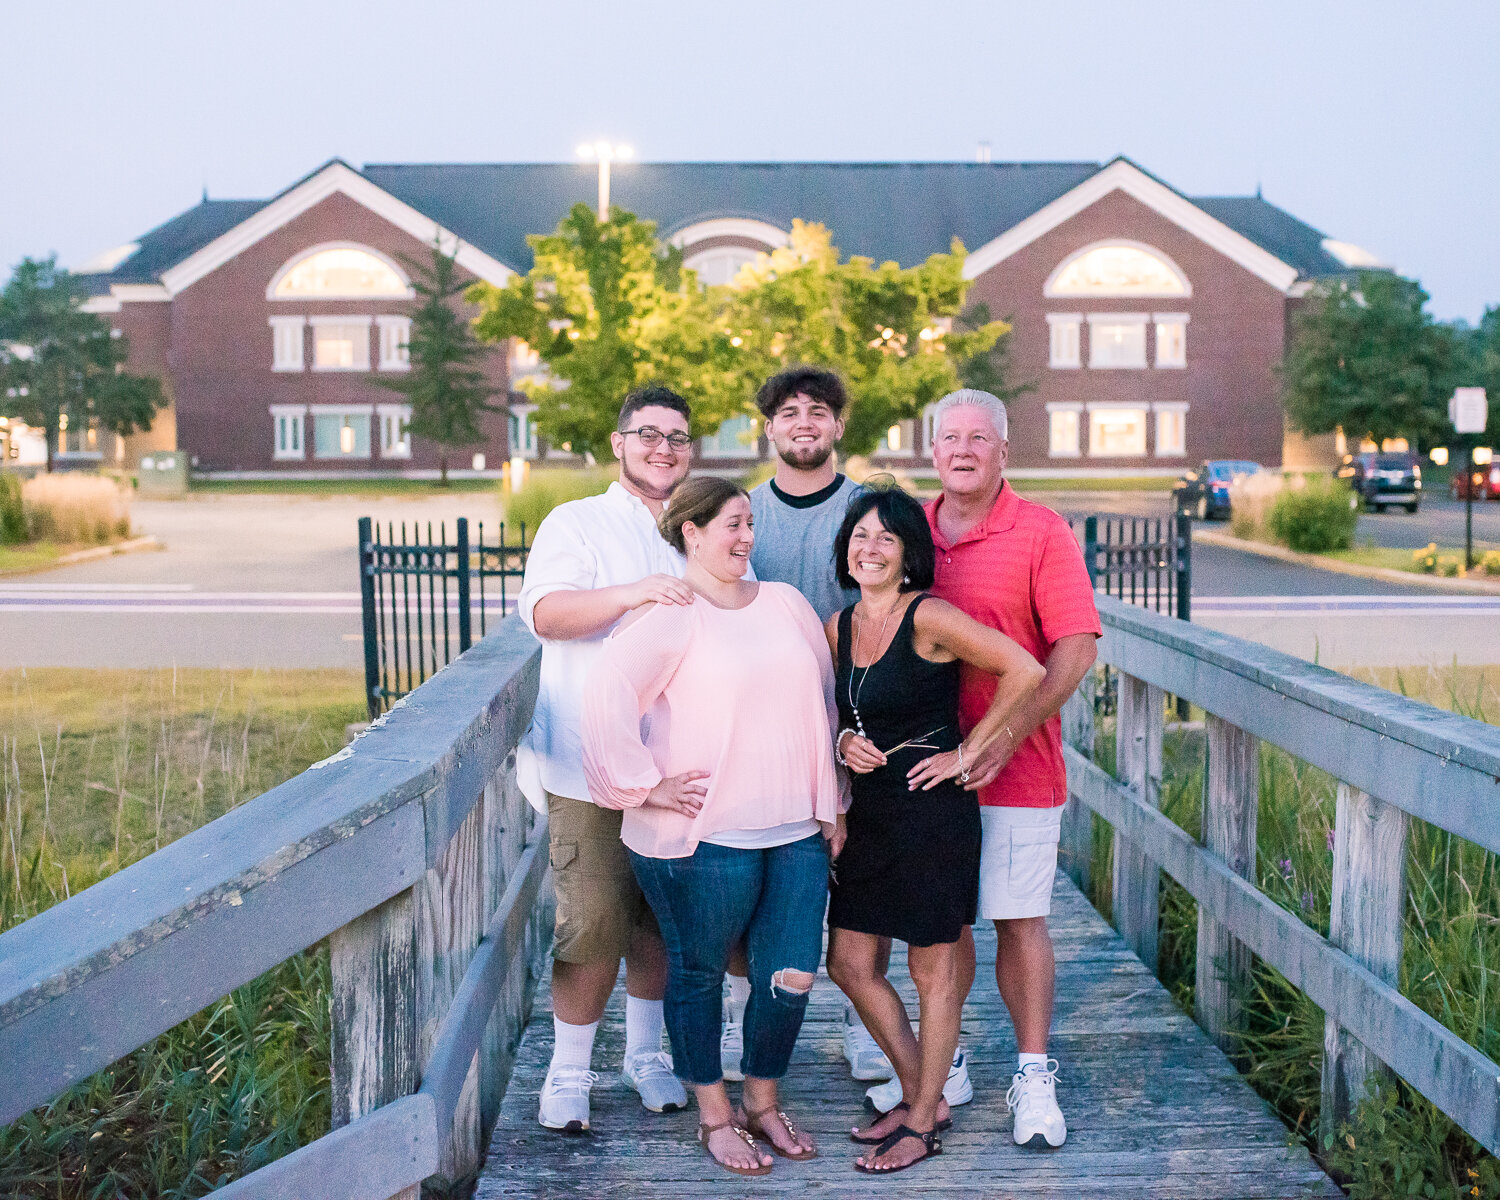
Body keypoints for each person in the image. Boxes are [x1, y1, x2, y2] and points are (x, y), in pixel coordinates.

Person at [581, 476, 844, 1177]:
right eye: (729, 524)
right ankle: (715, 1116)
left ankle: (762, 1098)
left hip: (794, 832)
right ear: (690, 532)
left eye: (749, 523)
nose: (745, 537)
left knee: (791, 973)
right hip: (701, 840)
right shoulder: (670, 613)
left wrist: (833, 802)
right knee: (696, 972)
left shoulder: (786, 605)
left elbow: (822, 704)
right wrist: (646, 785)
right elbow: (605, 697)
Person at [823, 485, 1044, 1173]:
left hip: (931, 811)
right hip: (871, 813)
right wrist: (840, 744)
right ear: (846, 551)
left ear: (908, 553)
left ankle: (921, 1120)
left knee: (932, 969)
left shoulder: (931, 617)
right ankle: (929, 1090)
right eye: (860, 536)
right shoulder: (838, 626)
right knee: (850, 963)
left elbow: (1024, 668)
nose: (871, 547)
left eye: (886, 537)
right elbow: (832, 713)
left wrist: (971, 750)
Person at [516, 385, 697, 1133]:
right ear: (618, 443)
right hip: (587, 762)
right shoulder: (577, 522)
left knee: (659, 918)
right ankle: (568, 1072)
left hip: (673, 765)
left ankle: (647, 1055)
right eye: (648, 434)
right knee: (591, 921)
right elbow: (547, 613)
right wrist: (633, 594)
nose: (663, 448)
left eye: (678, 437)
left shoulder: (700, 526)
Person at [926, 387, 1101, 1150]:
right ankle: (946, 1059)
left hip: (1019, 767)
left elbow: (1076, 645)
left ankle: (1033, 1073)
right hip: (926, 768)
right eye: (949, 438)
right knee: (942, 921)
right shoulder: (909, 528)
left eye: (978, 438)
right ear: (932, 450)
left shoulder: (1040, 531)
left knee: (1018, 918)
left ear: (1005, 451)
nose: (962, 450)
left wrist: (1008, 733)